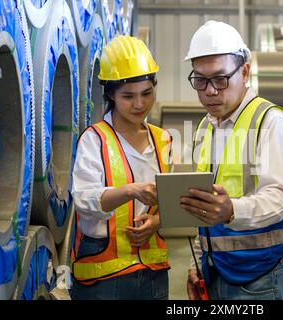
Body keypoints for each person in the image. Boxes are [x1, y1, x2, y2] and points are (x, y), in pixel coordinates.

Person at [181, 20, 283, 300]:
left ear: (244, 72)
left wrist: (232, 211)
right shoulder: (205, 128)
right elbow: (205, 207)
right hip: (215, 273)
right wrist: (198, 261)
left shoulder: (270, 122)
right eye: (199, 80)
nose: (209, 91)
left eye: (220, 79)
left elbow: (279, 199)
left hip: (262, 278)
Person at [70, 35, 171, 300]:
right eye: (128, 96)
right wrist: (129, 191)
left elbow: (175, 200)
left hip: (153, 274)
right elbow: (83, 199)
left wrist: (156, 222)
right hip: (104, 278)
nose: (139, 104)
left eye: (147, 93)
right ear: (111, 94)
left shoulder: (163, 140)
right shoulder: (95, 140)